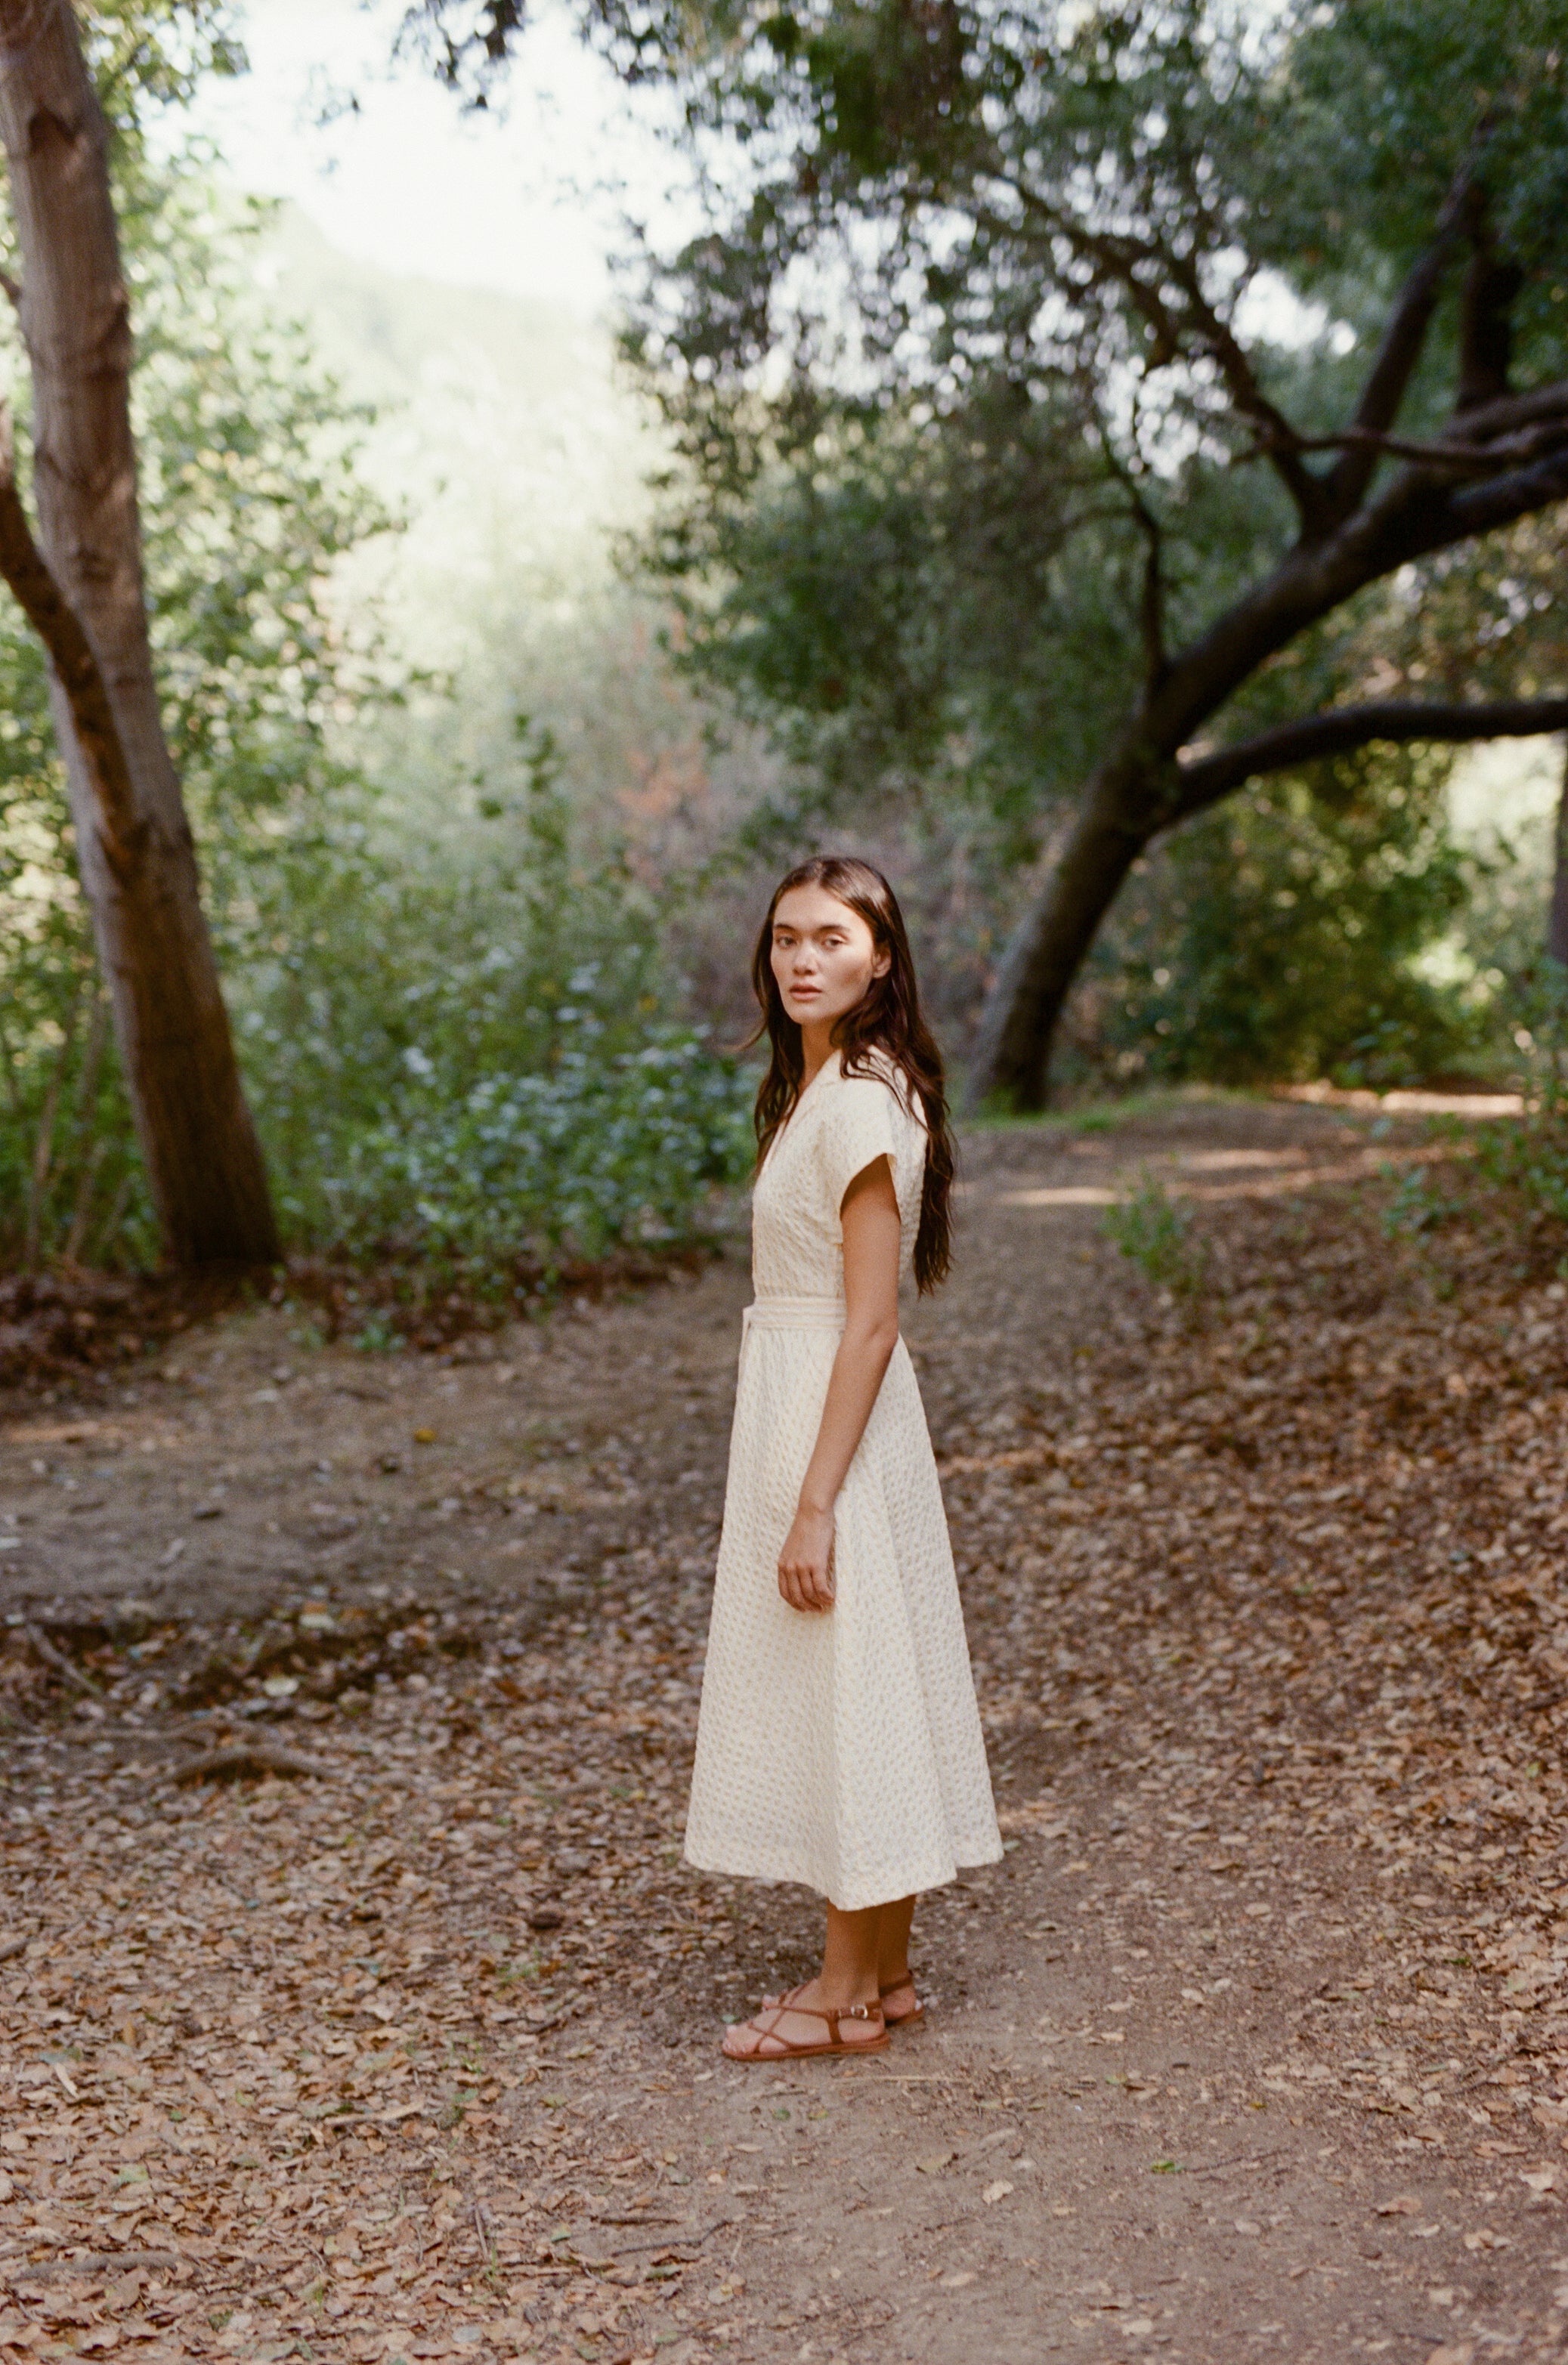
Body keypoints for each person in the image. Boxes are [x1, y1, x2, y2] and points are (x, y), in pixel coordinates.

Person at [684, 855, 1002, 2060]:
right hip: (809, 1406)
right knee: (862, 1677)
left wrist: (814, 1500)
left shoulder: (862, 1098)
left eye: (828, 938)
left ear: (880, 955)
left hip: (837, 1417)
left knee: (847, 1688)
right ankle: (884, 1974)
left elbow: (873, 1318)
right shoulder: (830, 1083)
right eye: (782, 939)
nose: (801, 959)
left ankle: (836, 1992)